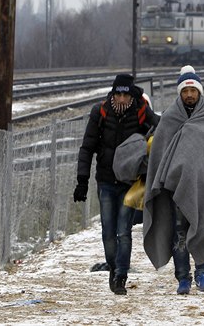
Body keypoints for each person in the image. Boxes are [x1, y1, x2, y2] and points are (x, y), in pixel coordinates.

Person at [143, 65, 204, 295]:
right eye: (185, 90)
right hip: (176, 192)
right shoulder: (169, 118)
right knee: (179, 234)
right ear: (180, 93)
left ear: (199, 91)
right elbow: (159, 154)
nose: (189, 95)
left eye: (193, 90)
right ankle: (182, 278)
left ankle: (202, 274)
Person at [74, 74, 159, 295]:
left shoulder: (141, 111)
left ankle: (121, 275)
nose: (121, 98)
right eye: (118, 94)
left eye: (126, 94)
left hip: (129, 183)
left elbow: (161, 130)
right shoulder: (100, 112)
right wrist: (81, 181)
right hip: (105, 181)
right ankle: (113, 267)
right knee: (108, 233)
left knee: (124, 231)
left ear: (131, 94)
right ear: (113, 93)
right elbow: (87, 147)